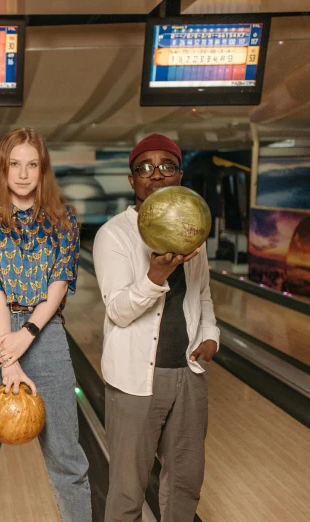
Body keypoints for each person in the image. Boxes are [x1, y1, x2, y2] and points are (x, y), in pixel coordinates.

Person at [0, 127, 92, 522]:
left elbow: (60, 282)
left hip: (45, 329)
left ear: (42, 169)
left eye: (31, 165)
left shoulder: (65, 219)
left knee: (68, 459)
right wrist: (8, 355)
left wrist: (28, 334)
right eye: (14, 164)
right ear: (3, 168)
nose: (22, 173)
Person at [93, 133, 220, 522]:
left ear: (179, 175)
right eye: (144, 167)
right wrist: (154, 276)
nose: (156, 174)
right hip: (135, 381)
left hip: (189, 374)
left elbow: (202, 297)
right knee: (129, 490)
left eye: (167, 165)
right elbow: (118, 310)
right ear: (132, 180)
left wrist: (212, 336)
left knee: (185, 483)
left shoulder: (193, 231)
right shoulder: (113, 235)